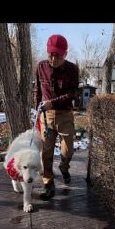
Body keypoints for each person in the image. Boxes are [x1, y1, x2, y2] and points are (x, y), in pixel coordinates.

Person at [34, 34, 79, 200]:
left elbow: (73, 94)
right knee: (46, 152)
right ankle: (48, 182)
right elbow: (38, 90)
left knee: (68, 150)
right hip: (46, 116)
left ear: (65, 54)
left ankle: (64, 167)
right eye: (50, 54)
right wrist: (37, 109)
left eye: (57, 55)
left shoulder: (72, 69)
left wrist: (51, 103)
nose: (53, 58)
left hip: (65, 115)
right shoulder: (41, 67)